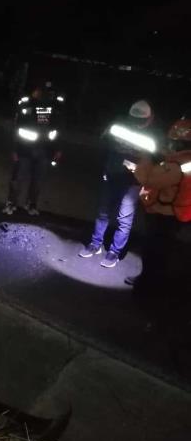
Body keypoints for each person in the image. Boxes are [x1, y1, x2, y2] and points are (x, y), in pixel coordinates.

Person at [130, 118, 191, 354]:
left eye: (173, 140)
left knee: (154, 255)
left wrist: (145, 156)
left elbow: (147, 178)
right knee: (164, 255)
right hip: (178, 214)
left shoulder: (177, 166)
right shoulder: (183, 162)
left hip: (165, 215)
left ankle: (146, 298)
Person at [78, 100, 161, 268]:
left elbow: (153, 161)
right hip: (113, 175)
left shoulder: (152, 137)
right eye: (135, 120)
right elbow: (105, 146)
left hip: (133, 182)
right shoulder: (118, 128)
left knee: (124, 219)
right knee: (103, 213)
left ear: (150, 119)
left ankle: (114, 252)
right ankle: (95, 244)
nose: (137, 123)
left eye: (141, 120)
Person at [3, 83, 64, 216]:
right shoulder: (26, 105)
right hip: (24, 149)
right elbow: (16, 128)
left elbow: (57, 129)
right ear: (35, 91)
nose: (43, 94)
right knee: (18, 178)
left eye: (47, 92)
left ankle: (31, 204)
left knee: (38, 180)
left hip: (44, 150)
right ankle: (11, 203)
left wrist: (57, 149)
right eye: (40, 90)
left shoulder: (54, 107)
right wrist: (14, 149)